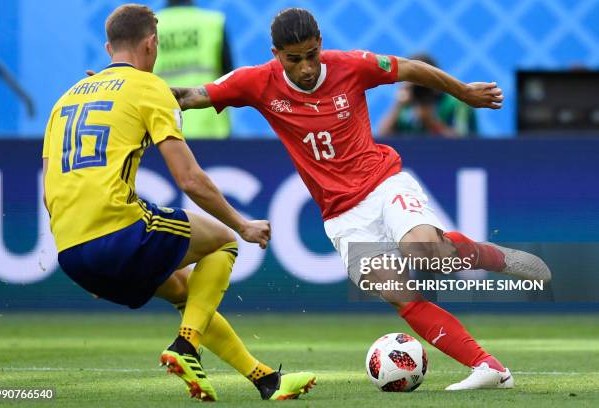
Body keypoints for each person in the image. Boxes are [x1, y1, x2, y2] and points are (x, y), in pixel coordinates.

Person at [172, 7, 551, 391]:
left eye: (311, 55)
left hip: (383, 183)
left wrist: (464, 91)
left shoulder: (351, 66)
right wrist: (148, 95)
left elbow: (409, 67)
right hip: (341, 216)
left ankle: (498, 257)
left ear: (320, 45)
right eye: (293, 59)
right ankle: (490, 368)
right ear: (276, 54)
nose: (305, 67)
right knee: (399, 294)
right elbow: (191, 95)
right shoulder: (255, 82)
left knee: (427, 252)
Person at [42, 4, 314, 402]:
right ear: (151, 44)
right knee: (223, 241)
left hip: (72, 252)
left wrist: (88, 255)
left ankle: (266, 380)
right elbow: (189, 179)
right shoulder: (147, 86)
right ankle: (186, 347)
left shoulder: (63, 101)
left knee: (187, 293)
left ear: (108, 47)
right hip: (116, 234)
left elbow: (50, 190)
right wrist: (243, 224)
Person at [154, 0, 232, 138]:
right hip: (210, 126)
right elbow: (229, 75)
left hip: (163, 127)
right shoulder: (213, 22)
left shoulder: (150, 26)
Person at [378, 54, 477, 138]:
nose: (421, 87)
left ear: (437, 80)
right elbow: (383, 136)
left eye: (424, 81)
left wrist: (431, 123)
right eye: (414, 81)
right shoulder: (406, 103)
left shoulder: (456, 104)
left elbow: (464, 144)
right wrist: (398, 105)